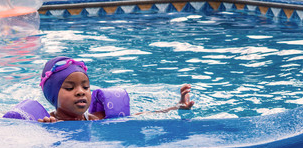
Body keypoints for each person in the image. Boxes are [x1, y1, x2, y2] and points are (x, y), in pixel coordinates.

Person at [38, 56, 194, 122]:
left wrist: (177, 107)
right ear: (53, 96)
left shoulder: (92, 119)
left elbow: (140, 115)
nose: (80, 91)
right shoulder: (50, 121)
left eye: (86, 87)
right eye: (70, 88)